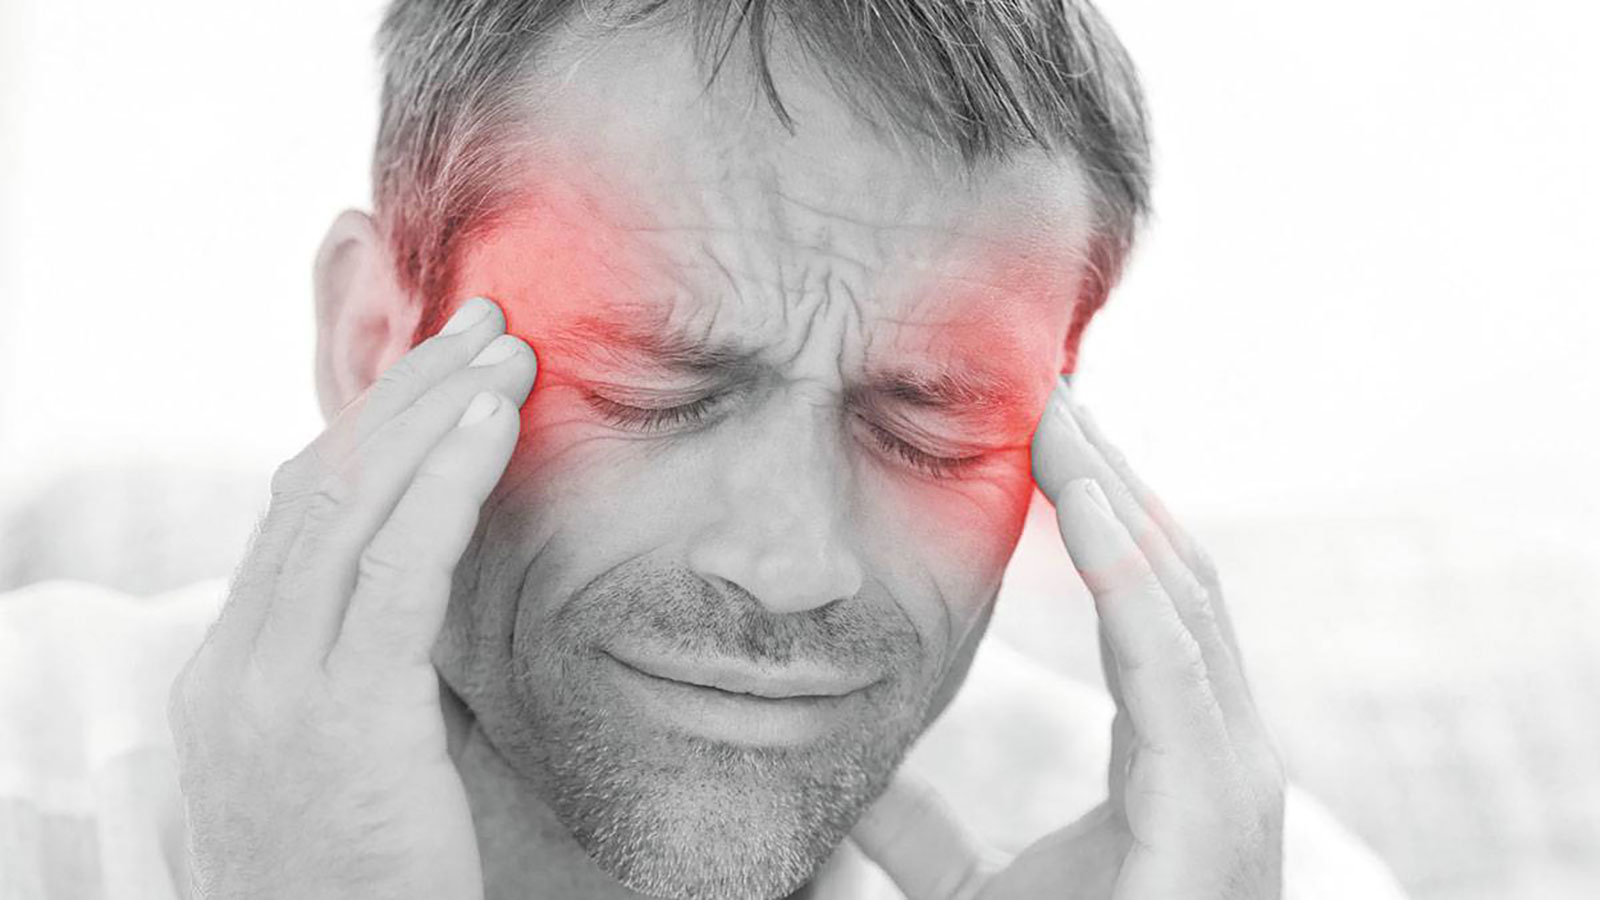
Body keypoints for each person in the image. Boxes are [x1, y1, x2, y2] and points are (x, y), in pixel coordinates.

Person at [0, 2, 1410, 898]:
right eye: (654, 388)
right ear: (379, 343)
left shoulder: (1198, 868)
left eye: (931, 421)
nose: (792, 563)